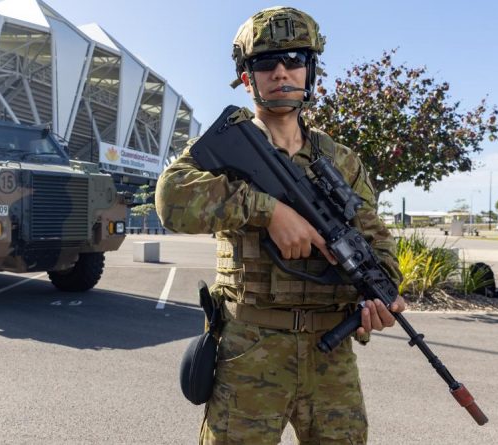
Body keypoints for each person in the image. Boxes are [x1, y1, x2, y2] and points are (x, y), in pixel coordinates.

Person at [155, 6, 406, 445]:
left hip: (331, 355)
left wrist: (378, 301)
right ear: (246, 76)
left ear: (311, 70)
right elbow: (171, 199)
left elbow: (378, 246)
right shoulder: (227, 146)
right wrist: (267, 210)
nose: (280, 72)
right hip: (250, 350)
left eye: (294, 59)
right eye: (265, 63)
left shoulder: (341, 161)